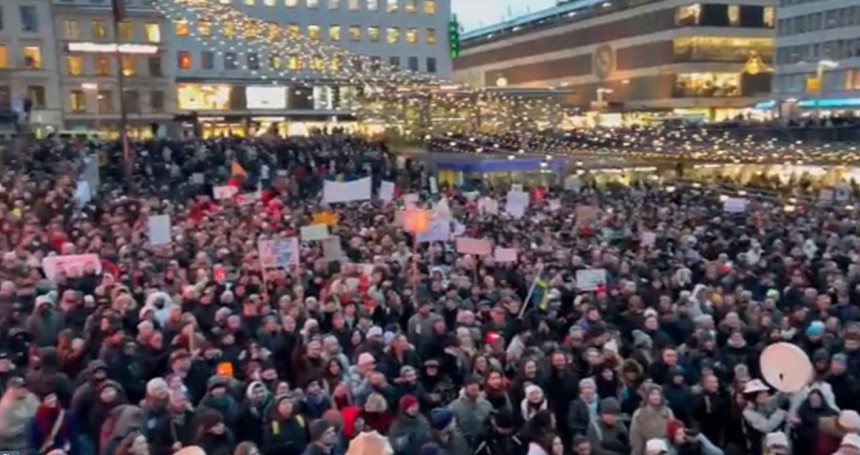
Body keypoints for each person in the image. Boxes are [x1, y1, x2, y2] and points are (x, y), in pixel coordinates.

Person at [631, 384, 674, 455]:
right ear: (647, 397)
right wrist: (638, 450)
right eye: (653, 394)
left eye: (658, 394)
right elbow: (635, 434)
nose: (656, 397)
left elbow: (673, 432)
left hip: (665, 448)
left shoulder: (668, 412)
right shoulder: (639, 413)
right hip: (646, 449)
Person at [0, 377, 39, 452]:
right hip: (10, 448)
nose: (23, 389)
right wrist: (24, 426)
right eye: (19, 387)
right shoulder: (4, 406)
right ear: (11, 389)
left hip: (30, 445)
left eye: (24, 386)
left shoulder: (31, 398)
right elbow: (4, 432)